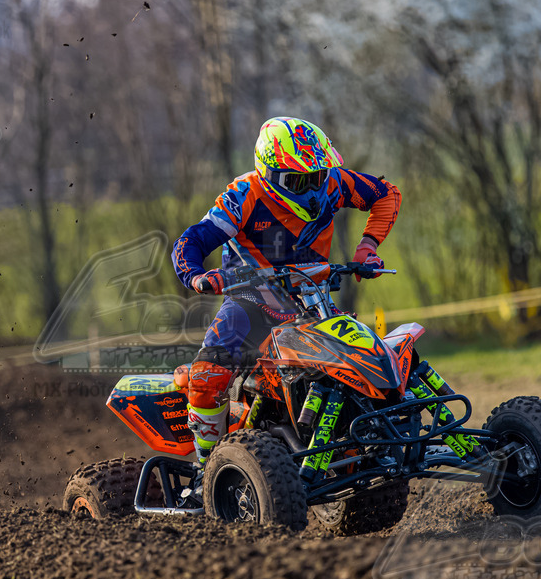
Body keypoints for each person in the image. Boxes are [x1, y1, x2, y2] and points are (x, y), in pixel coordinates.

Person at [171, 117, 401, 471]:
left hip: (311, 300)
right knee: (206, 373)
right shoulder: (245, 194)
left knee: (361, 362)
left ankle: (362, 442)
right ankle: (208, 466)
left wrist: (367, 246)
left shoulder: (335, 182)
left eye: (318, 176)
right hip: (250, 302)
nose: (312, 189)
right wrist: (199, 276)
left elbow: (386, 194)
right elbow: (192, 240)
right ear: (269, 175)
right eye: (299, 180)